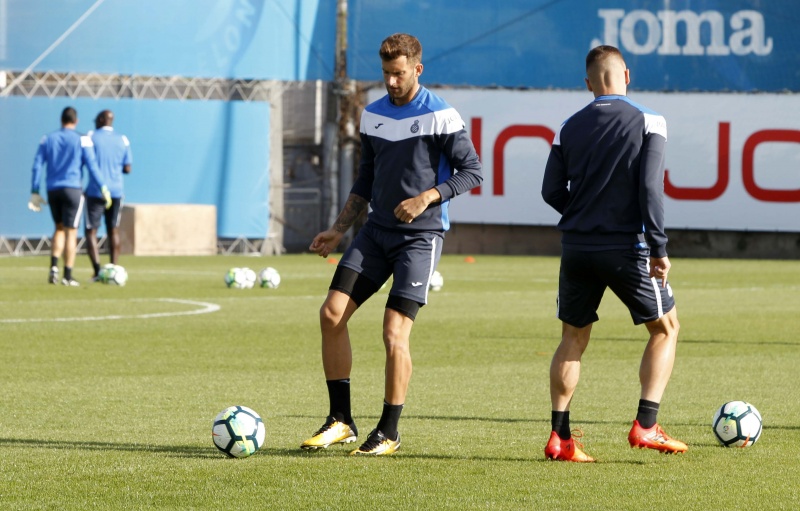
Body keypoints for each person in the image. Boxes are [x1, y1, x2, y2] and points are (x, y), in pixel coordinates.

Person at [301, 33, 483, 456]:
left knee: (393, 332)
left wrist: (427, 197)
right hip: (375, 233)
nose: (391, 82)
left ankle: (388, 431)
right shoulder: (373, 115)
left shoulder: (441, 115)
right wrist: (338, 229)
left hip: (420, 239)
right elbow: (366, 178)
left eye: (399, 74)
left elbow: (472, 171)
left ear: (417, 69)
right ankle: (341, 420)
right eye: (385, 73)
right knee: (331, 314)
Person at [540, 45, 686, 462]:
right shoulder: (649, 120)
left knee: (572, 338)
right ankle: (646, 425)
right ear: (627, 75)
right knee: (666, 328)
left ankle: (560, 438)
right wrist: (659, 247)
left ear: (588, 83)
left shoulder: (568, 126)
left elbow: (551, 191)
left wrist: (584, 215)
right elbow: (650, 189)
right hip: (627, 246)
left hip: (577, 247)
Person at [29, 106, 111, 287]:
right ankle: (67, 275)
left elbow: (37, 164)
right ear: (76, 121)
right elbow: (92, 165)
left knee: (58, 228)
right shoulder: (82, 139)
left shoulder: (47, 139)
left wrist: (34, 190)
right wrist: (103, 187)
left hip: (53, 189)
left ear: (61, 120)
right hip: (73, 189)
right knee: (71, 232)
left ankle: (53, 268)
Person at [85, 110, 132, 280]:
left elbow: (87, 160)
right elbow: (128, 168)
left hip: (96, 191)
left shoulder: (91, 136)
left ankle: (97, 271)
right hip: (116, 191)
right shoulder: (123, 139)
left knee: (91, 231)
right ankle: (114, 267)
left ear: (100, 120)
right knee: (113, 230)